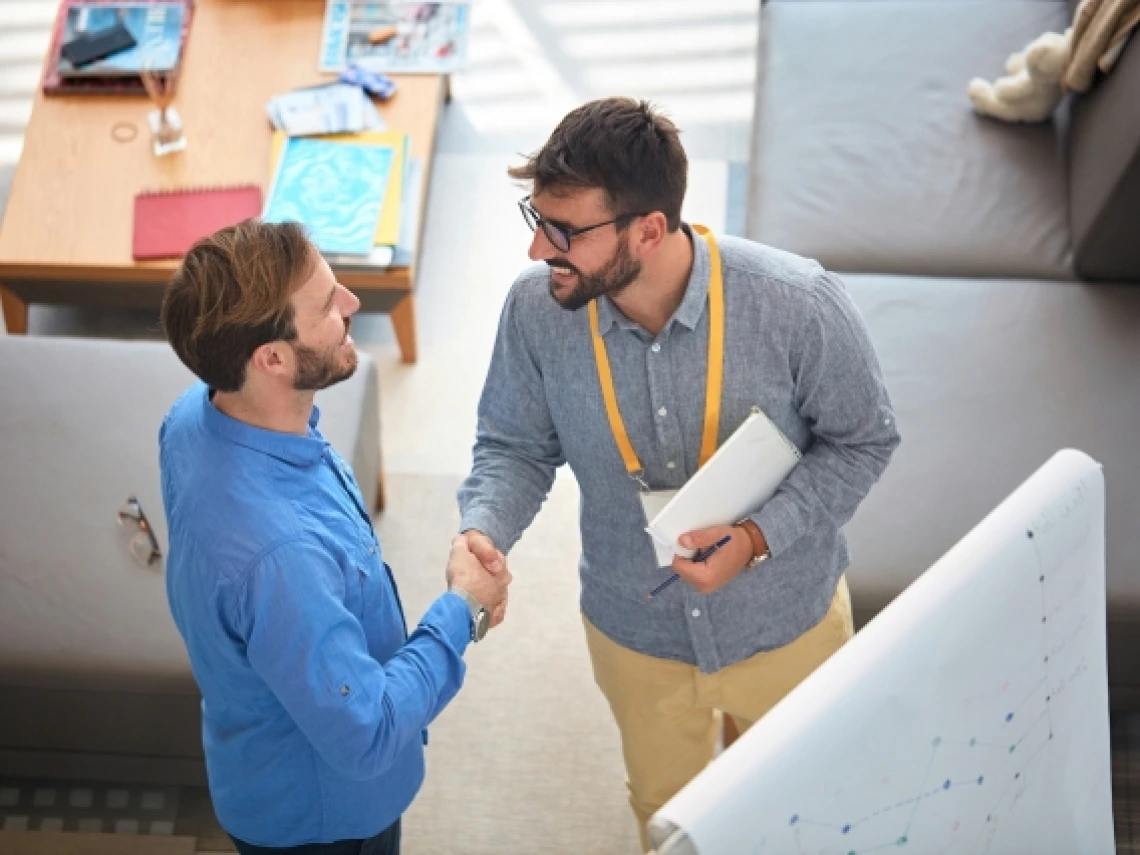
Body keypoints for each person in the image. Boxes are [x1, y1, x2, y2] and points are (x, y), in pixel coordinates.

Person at [457, 97, 901, 850]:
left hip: (787, 622)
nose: (539, 251)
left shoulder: (798, 305)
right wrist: (481, 530)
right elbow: (513, 445)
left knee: (815, 801)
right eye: (535, 221)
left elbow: (865, 440)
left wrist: (759, 535)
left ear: (650, 230)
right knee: (668, 816)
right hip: (635, 633)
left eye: (564, 231)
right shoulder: (535, 312)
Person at [158, 220, 510, 855]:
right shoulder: (284, 561)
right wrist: (465, 608)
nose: (351, 303)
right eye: (327, 304)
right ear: (272, 358)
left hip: (253, 758)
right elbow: (368, 733)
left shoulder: (194, 413)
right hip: (324, 820)